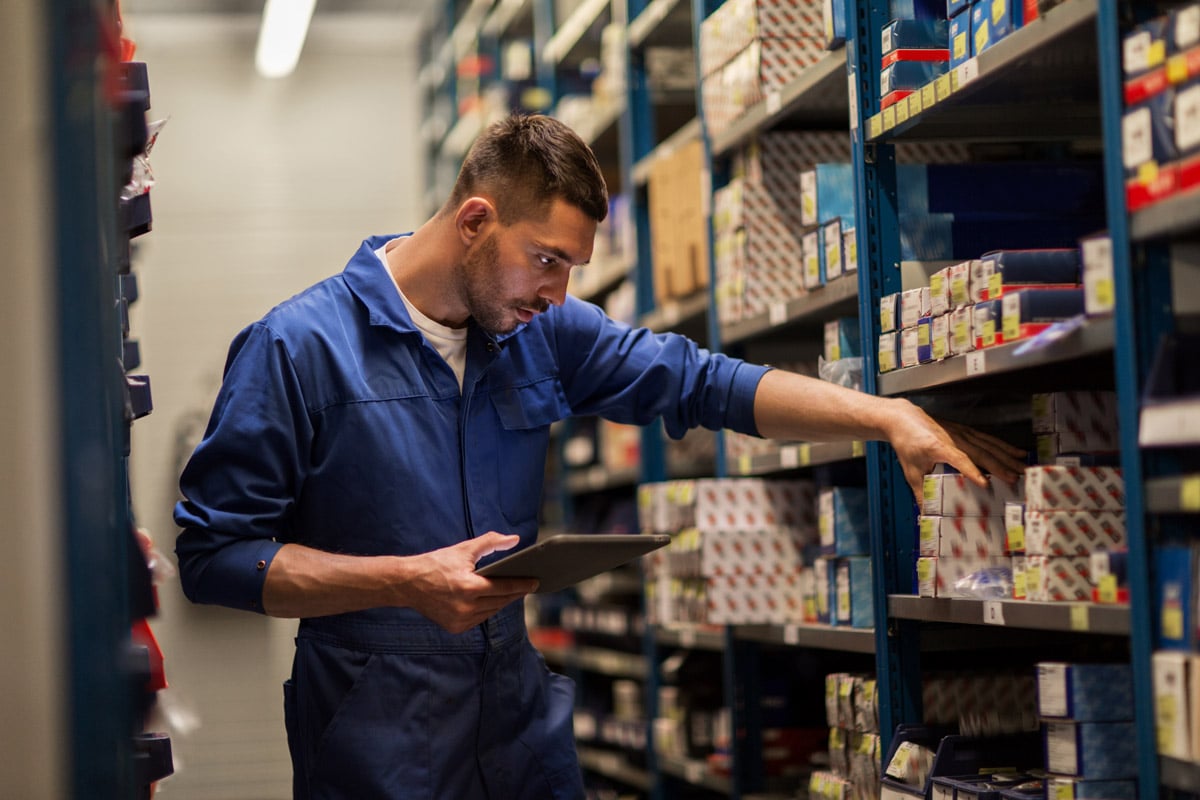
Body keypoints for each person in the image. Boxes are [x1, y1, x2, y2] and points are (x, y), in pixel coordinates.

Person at [174, 113, 1025, 800]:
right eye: (545, 260)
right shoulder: (297, 348)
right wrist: (403, 581)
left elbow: (703, 383)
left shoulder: (539, 330)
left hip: (517, 729)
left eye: (572, 269)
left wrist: (884, 416)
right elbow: (214, 557)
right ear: (476, 220)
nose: (558, 294)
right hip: (373, 736)